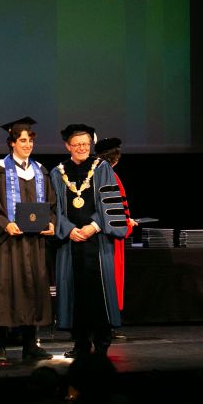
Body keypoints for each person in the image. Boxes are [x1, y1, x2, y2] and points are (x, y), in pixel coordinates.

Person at [50, 124, 128, 358]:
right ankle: (80, 343)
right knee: (74, 292)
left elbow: (109, 201)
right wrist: (68, 229)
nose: (82, 148)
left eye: (86, 144)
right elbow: (54, 209)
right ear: (68, 146)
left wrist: (94, 226)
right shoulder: (57, 172)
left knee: (99, 291)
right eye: (77, 144)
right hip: (70, 241)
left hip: (97, 240)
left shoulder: (102, 168)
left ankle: (102, 342)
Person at [0, 116, 55, 362]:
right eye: (22, 140)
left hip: (34, 243)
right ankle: (0, 346)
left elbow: (51, 205)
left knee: (32, 288)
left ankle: (30, 345)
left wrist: (51, 224)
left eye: (30, 141)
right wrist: (6, 223)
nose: (27, 145)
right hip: (9, 244)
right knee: (5, 291)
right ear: (12, 143)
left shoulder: (40, 171)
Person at [94, 137, 138, 318]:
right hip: (110, 239)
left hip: (101, 234)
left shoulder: (95, 174)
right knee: (110, 279)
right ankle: (109, 320)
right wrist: (126, 223)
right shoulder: (111, 176)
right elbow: (112, 211)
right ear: (115, 158)